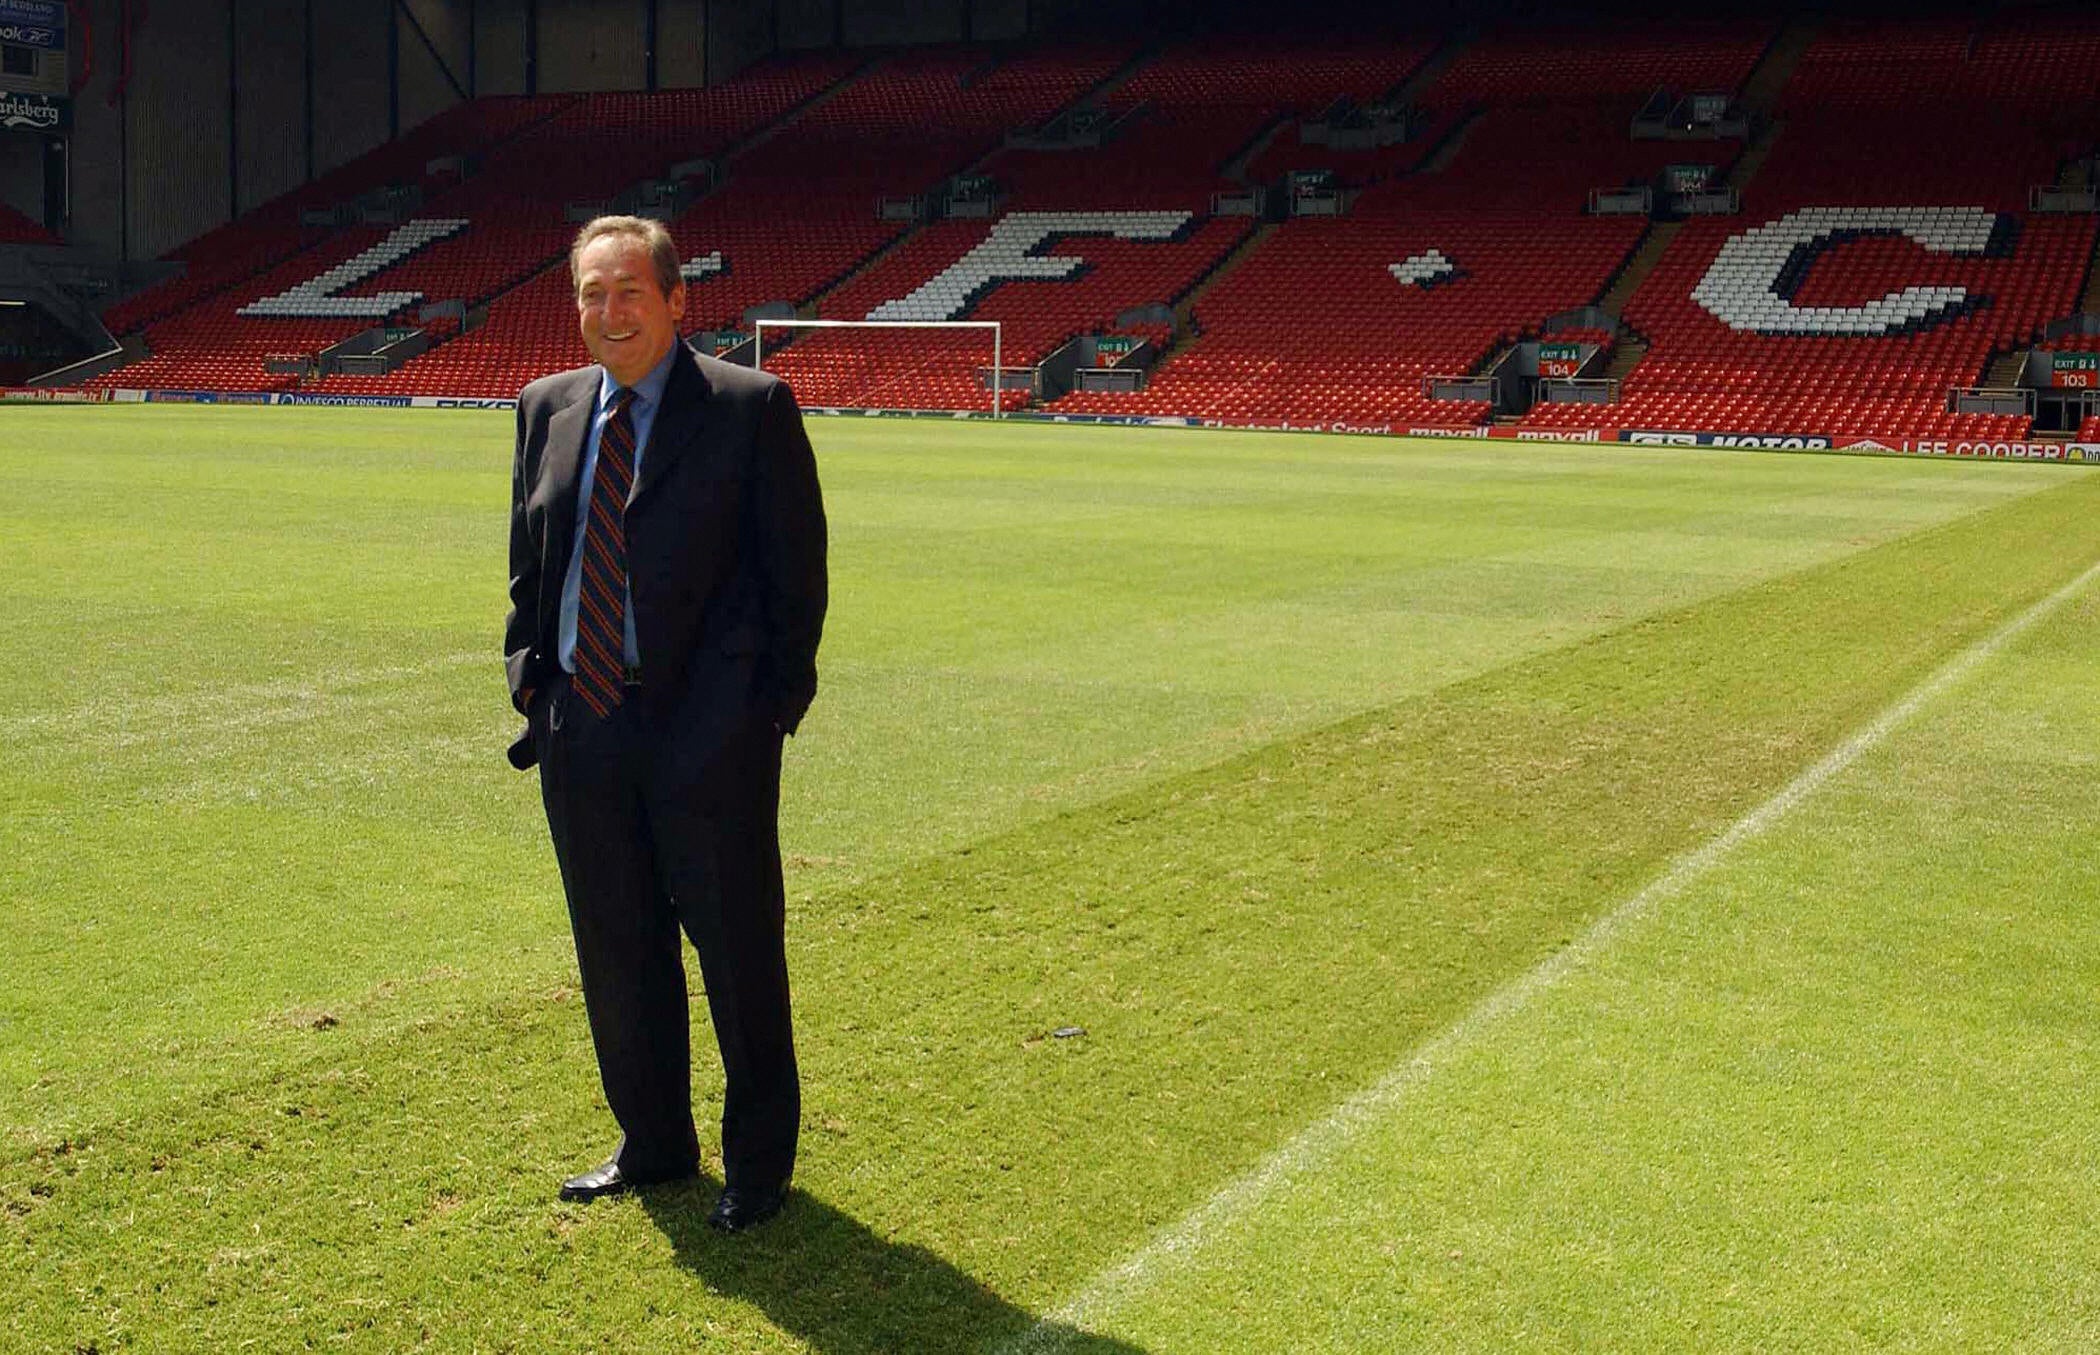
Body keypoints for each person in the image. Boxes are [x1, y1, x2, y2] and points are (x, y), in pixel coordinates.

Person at [503, 215, 827, 1232]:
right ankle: (652, 1142)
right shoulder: (545, 407)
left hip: (708, 733)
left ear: (677, 299)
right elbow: (530, 560)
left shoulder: (747, 405)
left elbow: (796, 576)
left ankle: (758, 1166)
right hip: (582, 724)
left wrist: (761, 712)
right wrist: (531, 678)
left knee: (736, 948)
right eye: (592, 294)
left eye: (629, 291)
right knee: (617, 944)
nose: (610, 312)